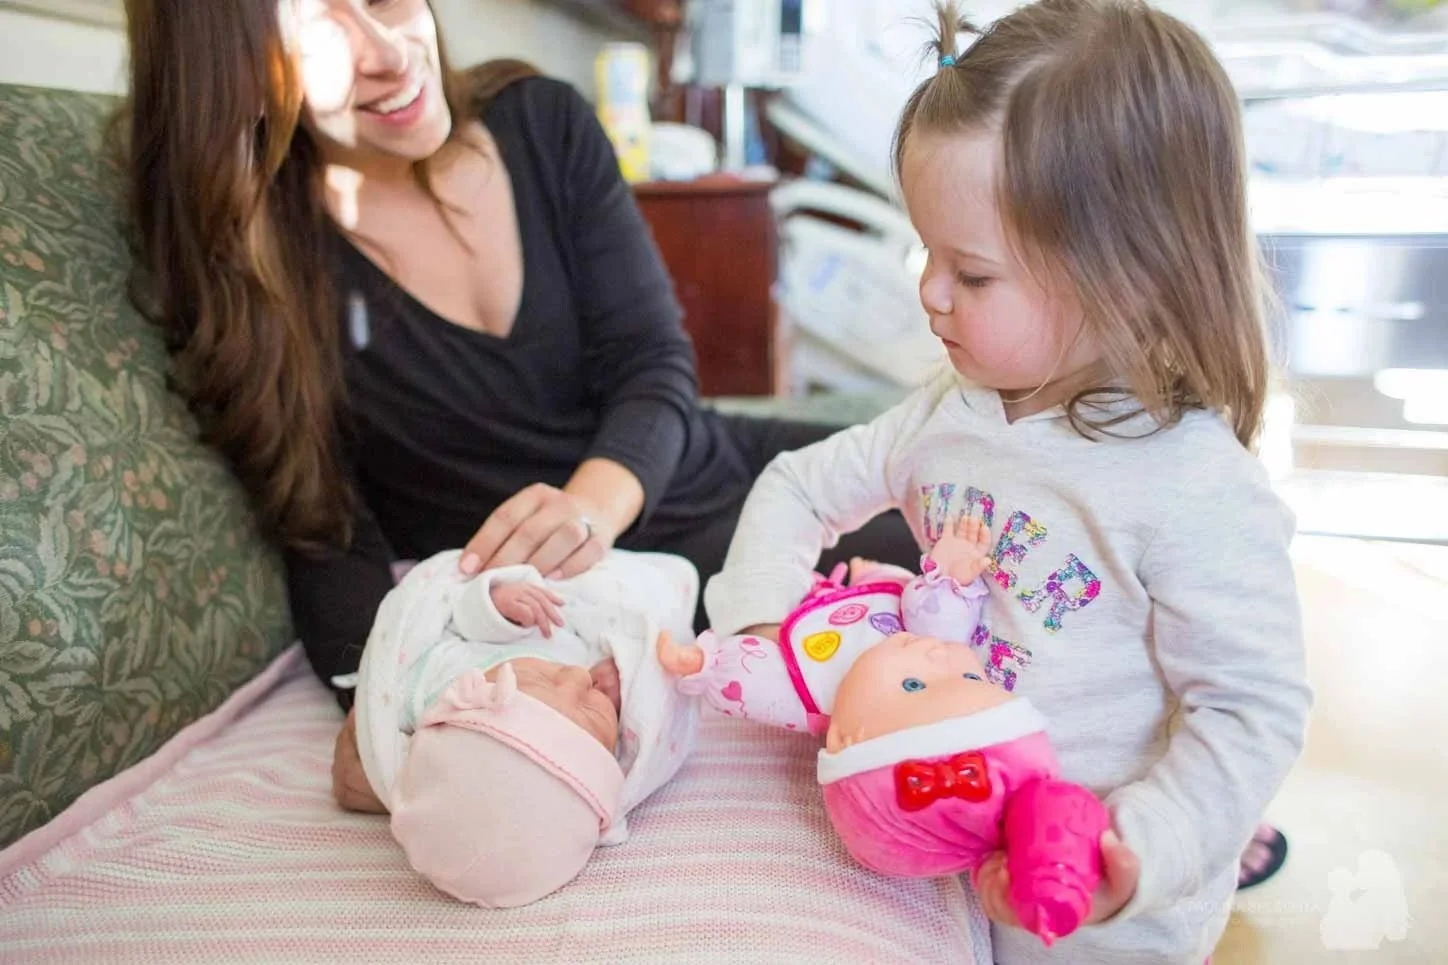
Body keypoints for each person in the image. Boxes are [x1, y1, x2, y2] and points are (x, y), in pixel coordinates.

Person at [117, 0, 919, 815]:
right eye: (322, 30)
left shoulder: (543, 122)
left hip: (714, 461)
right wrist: (387, 702)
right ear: (240, 73)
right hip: (639, 578)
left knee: (960, 487)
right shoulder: (260, 270)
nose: (391, 52)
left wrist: (587, 507)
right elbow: (322, 526)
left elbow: (654, 365)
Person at [701, 1, 1311, 961]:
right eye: (926, 253)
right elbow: (794, 484)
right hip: (938, 880)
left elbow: (1250, 710)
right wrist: (757, 633)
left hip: (1098, 925)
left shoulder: (1193, 485)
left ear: (1131, 273)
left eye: (972, 273)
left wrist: (1135, 852)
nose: (929, 291)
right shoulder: (949, 415)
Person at [354, 548, 699, 907]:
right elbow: (656, 712)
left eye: (540, 679)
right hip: (617, 587)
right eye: (593, 710)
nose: (578, 676)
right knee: (673, 587)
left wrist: (496, 609)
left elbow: (450, 622)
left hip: (544, 575)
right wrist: (629, 674)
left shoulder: (437, 680)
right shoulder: (604, 754)